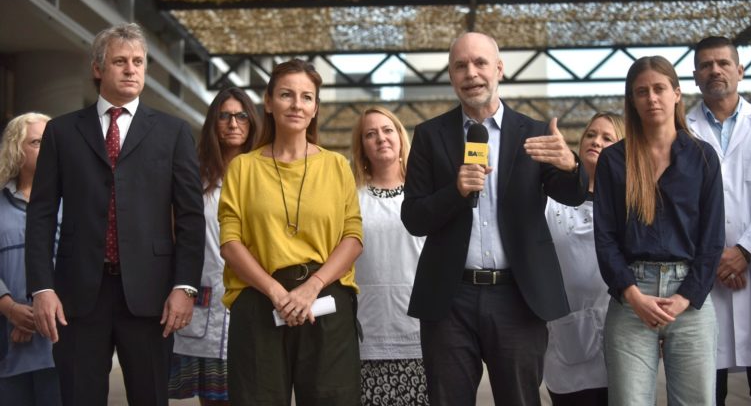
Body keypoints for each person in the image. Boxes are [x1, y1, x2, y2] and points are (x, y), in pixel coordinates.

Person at [401, 32, 588, 405]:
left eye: (480, 62)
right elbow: (415, 218)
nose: (471, 73)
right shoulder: (429, 135)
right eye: (460, 65)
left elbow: (572, 193)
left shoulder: (534, 133)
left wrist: (571, 165)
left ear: (499, 69)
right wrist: (455, 191)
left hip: (518, 296)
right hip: (449, 299)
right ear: (452, 76)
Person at [25, 22, 206, 406]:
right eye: (120, 61)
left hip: (152, 297)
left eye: (138, 61)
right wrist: (41, 288)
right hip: (76, 297)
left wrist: (185, 286)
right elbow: (40, 215)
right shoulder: (61, 132)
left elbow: (190, 217)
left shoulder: (173, 133)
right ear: (98, 68)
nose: (131, 69)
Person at [219, 59, 363, 406]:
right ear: (268, 103)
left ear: (315, 108)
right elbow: (230, 241)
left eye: (306, 97)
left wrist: (311, 287)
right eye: (286, 95)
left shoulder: (336, 166)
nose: (297, 104)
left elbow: (353, 236)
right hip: (258, 299)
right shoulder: (243, 167)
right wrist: (277, 292)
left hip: (325, 299)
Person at [594, 55, 725, 405]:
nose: (651, 98)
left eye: (659, 89)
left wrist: (685, 297)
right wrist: (633, 295)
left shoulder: (702, 157)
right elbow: (605, 238)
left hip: (690, 298)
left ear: (677, 94)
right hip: (631, 297)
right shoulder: (614, 160)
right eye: (641, 92)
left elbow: (712, 240)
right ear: (632, 100)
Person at [686, 36, 751, 405]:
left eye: (722, 63)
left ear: (740, 70)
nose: (714, 70)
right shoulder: (679, 133)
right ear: (695, 77)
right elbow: (677, 205)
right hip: (705, 277)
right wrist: (717, 256)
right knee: (705, 391)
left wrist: (747, 250)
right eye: (705, 65)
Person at [169, 87, 261, 405]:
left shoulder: (267, 175)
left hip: (257, 300)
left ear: (253, 122)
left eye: (241, 116)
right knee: (212, 399)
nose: (233, 123)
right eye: (224, 116)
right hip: (205, 300)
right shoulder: (193, 176)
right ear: (213, 123)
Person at [543, 112, 624, 406]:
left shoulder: (630, 202)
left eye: (607, 137)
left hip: (621, 331)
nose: (596, 142)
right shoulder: (551, 200)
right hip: (568, 336)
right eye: (591, 135)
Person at [351, 106, 428, 406]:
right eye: (370, 134)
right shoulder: (351, 197)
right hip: (368, 331)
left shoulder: (425, 194)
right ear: (362, 148)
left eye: (387, 130)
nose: (380, 138)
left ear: (400, 137)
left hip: (420, 330)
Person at [0, 113, 61, 406]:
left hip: (57, 341)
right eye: (37, 142)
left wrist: (38, 310)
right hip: (6, 340)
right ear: (16, 149)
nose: (47, 148)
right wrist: (10, 307)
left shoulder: (73, 201)